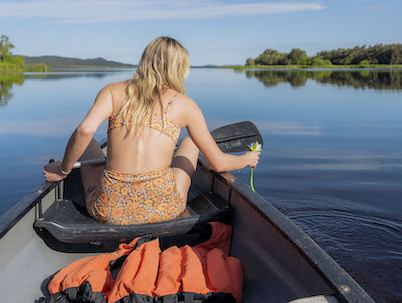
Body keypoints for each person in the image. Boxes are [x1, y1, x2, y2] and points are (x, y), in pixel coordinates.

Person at [43, 36, 260, 225]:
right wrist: (247, 159)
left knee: (88, 143)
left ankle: (90, 170)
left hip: (110, 212)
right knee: (190, 143)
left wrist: (63, 169)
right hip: (164, 210)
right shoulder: (186, 105)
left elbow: (85, 130)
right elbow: (219, 163)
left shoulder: (112, 91)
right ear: (179, 69)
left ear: (145, 61)